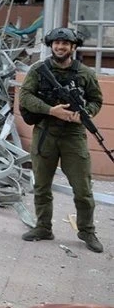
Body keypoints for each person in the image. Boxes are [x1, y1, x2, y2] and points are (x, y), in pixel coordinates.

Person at [19, 27, 104, 253]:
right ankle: (43, 227)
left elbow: (96, 100)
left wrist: (85, 113)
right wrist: (50, 110)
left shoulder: (85, 73)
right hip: (45, 133)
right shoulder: (38, 70)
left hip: (73, 135)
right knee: (41, 185)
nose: (60, 47)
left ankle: (87, 230)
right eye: (56, 43)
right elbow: (25, 97)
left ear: (73, 47)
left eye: (65, 43)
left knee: (83, 188)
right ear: (51, 45)